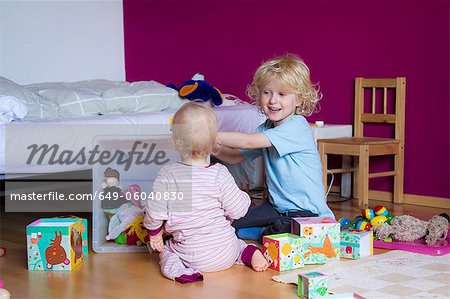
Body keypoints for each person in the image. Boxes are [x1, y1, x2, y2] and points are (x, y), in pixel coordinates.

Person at [143, 102, 268, 284]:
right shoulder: (219, 173)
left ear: (176, 141)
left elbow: (154, 211)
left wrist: (154, 233)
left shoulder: (167, 175)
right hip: (225, 252)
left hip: (191, 256)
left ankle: (182, 272)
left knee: (167, 251)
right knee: (237, 243)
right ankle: (249, 254)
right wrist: (244, 197)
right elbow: (238, 211)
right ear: (213, 142)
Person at [215, 54, 335, 240]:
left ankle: (265, 232)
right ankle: (263, 231)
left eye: (282, 94)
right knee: (228, 222)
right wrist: (206, 146)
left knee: (287, 231)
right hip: (276, 208)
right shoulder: (265, 129)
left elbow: (248, 141)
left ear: (299, 100)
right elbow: (234, 157)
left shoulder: (297, 126)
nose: (272, 100)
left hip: (306, 213)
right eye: (267, 92)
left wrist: (210, 134)